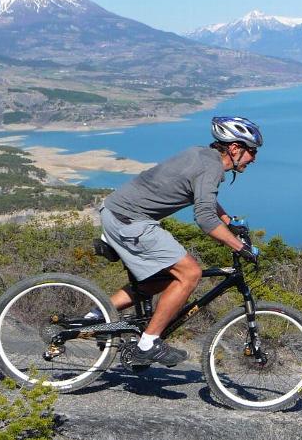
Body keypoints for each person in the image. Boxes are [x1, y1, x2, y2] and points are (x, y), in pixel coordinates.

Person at [97, 116, 263, 367]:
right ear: (235, 148)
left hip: (117, 213)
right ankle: (148, 343)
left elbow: (204, 198)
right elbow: (205, 219)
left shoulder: (201, 154)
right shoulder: (212, 168)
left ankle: (96, 315)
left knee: (160, 282)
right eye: (252, 151)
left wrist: (229, 221)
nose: (254, 158)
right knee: (190, 273)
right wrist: (240, 247)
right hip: (130, 221)